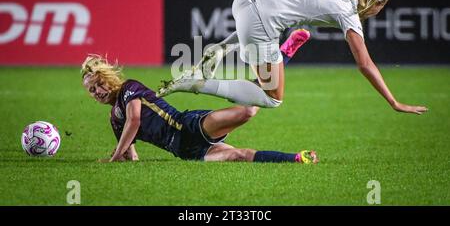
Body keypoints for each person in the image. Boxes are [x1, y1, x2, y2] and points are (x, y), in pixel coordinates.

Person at [158, 0, 428, 116]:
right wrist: (394, 102)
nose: (378, 12)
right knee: (273, 97)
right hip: (259, 21)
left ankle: (220, 49)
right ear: (374, 1)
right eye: (381, 7)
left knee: (267, 29)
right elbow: (365, 64)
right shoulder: (349, 13)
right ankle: (196, 83)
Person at [81, 35, 316, 164]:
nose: (98, 91)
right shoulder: (114, 119)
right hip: (186, 151)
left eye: (99, 83)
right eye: (92, 90)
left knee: (248, 111)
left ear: (109, 78)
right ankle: (298, 158)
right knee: (239, 155)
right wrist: (123, 156)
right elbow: (131, 154)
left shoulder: (129, 88)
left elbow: (134, 121)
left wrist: (112, 158)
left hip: (188, 125)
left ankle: (284, 53)